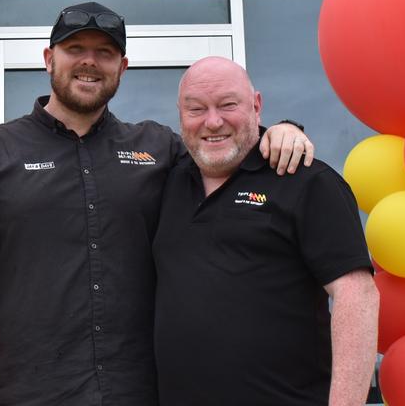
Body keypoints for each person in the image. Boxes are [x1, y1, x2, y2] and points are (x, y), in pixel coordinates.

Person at [0, 2, 313, 406]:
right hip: (25, 396)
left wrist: (280, 131)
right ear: (48, 58)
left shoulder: (158, 148)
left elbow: (221, 152)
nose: (89, 62)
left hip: (140, 394)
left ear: (122, 67)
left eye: (105, 53)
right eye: (75, 49)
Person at [153, 56, 378, 406]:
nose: (213, 122)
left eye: (228, 105)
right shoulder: (166, 183)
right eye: (196, 109)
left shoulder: (306, 181)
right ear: (181, 116)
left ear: (256, 106)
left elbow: (356, 295)